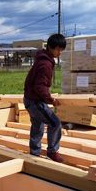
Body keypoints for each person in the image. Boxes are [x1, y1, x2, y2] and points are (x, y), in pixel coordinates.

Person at [23, 33, 66, 163]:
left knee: (38, 125)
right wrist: (51, 100)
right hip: (35, 102)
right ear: (52, 48)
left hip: (29, 99)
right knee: (55, 123)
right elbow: (40, 87)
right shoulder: (45, 64)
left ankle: (34, 153)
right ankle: (52, 152)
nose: (60, 53)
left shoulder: (42, 59)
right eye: (59, 49)